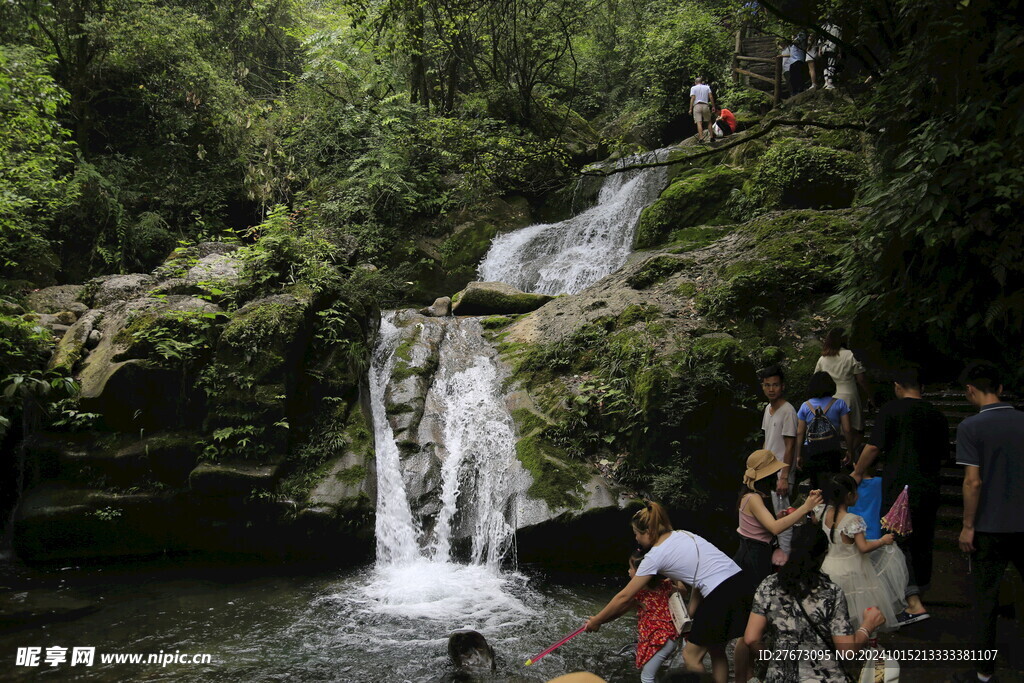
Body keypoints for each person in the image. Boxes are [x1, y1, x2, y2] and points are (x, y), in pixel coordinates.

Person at [585, 502, 748, 683]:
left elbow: (624, 597)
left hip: (720, 593)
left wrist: (597, 620)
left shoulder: (655, 556)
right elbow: (700, 577)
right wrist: (690, 615)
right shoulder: (684, 534)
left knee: (691, 656)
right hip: (739, 583)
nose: (637, 539)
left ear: (648, 532)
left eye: (637, 534)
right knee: (716, 650)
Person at [852, 368, 949, 625]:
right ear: (922, 388)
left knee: (897, 540)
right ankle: (918, 592)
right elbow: (943, 455)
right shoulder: (937, 415)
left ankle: (913, 601)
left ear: (897, 386)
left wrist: (857, 472)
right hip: (929, 487)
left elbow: (873, 446)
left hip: (900, 490)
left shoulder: (891, 411)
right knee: (923, 538)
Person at [953, 361, 1024, 683]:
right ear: (1000, 388)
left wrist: (968, 526)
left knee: (985, 600)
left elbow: (973, 482)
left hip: (989, 527)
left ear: (970, 391)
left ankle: (984, 673)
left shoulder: (971, 427)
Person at [745, 524, 887, 683]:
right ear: (823, 555)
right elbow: (846, 650)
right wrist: (868, 625)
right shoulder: (831, 592)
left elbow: (751, 638)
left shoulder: (769, 585)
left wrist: (774, 662)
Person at [731, 450, 822, 682]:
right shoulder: (754, 498)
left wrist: (784, 514)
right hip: (754, 559)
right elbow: (774, 528)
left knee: (746, 624)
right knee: (750, 624)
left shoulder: (749, 496)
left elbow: (765, 524)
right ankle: (751, 672)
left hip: (748, 554)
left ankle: (745, 675)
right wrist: (805, 507)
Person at [818, 474, 908, 632]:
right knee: (854, 610)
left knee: (833, 608)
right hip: (851, 569)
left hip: (828, 566)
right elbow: (863, 547)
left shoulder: (824, 513)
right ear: (849, 496)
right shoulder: (853, 520)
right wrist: (883, 541)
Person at [757, 364, 798, 558]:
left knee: (784, 515)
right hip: (768, 471)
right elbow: (768, 440)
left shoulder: (788, 411)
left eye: (775, 385)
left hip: (781, 471)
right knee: (771, 514)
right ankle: (776, 555)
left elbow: (790, 445)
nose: (771, 389)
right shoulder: (768, 409)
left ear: (782, 386)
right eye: (767, 385)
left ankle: (787, 557)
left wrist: (784, 476)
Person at [814, 328, 871, 454]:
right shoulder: (850, 355)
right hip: (849, 395)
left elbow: (816, 379)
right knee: (858, 431)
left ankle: (839, 457)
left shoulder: (822, 359)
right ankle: (850, 454)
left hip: (830, 398)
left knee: (833, 432)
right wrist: (870, 395)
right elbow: (861, 379)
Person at [627, 549, 681, 683]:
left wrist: (599, 620)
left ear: (641, 573)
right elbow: (683, 591)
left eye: (630, 568)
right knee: (651, 673)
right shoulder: (664, 586)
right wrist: (674, 575)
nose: (628, 571)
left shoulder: (638, 592)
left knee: (646, 678)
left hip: (658, 640)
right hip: (669, 637)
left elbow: (620, 606)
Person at [795, 371, 854, 491]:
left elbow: (800, 432)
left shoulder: (805, 406)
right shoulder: (839, 404)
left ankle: (817, 507)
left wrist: (798, 455)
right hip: (832, 449)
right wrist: (850, 450)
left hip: (812, 450)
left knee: (815, 485)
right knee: (834, 483)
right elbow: (847, 429)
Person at [847, 455, 882, 540]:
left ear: (855, 464)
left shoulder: (847, 485)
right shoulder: (880, 483)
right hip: (875, 534)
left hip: (851, 533)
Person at [688, 77, 715, 142]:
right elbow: (711, 96)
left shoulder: (693, 88)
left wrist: (690, 108)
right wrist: (713, 106)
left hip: (697, 106)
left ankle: (701, 138)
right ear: (702, 82)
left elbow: (693, 98)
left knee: (699, 122)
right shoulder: (707, 87)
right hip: (705, 105)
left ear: (695, 82)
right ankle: (711, 137)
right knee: (709, 121)